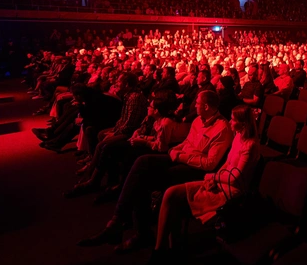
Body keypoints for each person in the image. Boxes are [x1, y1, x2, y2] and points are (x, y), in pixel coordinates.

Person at [77, 91, 232, 251]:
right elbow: (187, 142)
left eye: (197, 103)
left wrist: (178, 155)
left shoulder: (222, 128)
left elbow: (210, 164)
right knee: (142, 161)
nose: (194, 105)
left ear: (206, 106)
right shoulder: (199, 120)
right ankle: (118, 221)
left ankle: (133, 230)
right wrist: (175, 150)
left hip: (195, 169)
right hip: (181, 157)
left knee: (142, 180)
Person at [142, 106, 260, 265]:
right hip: (221, 182)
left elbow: (236, 178)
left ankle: (164, 254)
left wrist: (212, 177)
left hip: (231, 191)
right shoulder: (238, 136)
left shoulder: (251, 145)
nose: (230, 121)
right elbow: (227, 164)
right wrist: (216, 177)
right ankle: (164, 248)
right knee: (171, 193)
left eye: (233, 119)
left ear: (243, 124)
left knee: (175, 199)